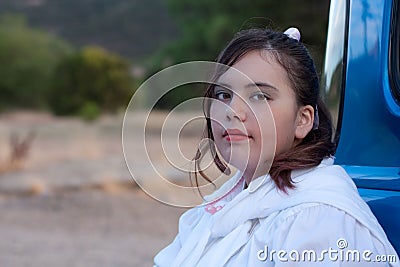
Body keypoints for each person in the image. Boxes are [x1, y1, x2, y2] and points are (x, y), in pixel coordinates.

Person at [153, 27, 399, 266]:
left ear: (302, 120)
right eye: (223, 95)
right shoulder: (221, 207)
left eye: (260, 96)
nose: (232, 112)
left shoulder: (320, 222)